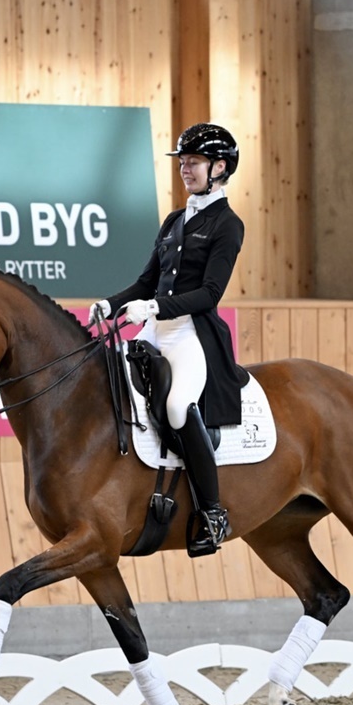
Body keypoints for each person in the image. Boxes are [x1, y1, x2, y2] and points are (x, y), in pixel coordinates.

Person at [88, 123, 246, 557]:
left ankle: (212, 512)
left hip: (189, 334)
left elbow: (210, 294)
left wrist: (155, 308)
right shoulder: (176, 220)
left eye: (193, 163)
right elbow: (146, 282)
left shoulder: (227, 224)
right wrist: (110, 304)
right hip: (152, 329)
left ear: (219, 167)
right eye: (183, 163)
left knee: (177, 406)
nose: (185, 170)